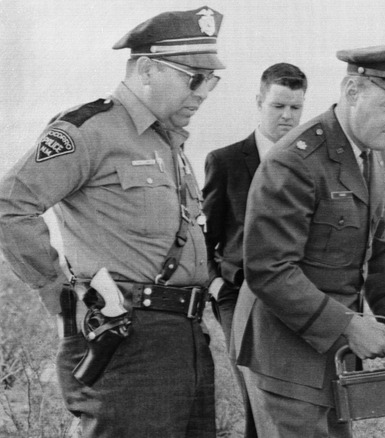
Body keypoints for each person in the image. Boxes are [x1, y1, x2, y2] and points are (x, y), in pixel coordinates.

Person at [0, 7, 225, 437]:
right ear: (145, 69)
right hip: (124, 341)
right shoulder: (91, 130)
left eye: (210, 80)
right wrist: (57, 293)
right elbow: (11, 203)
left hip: (186, 340)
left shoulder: (169, 144)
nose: (202, 93)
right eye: (192, 78)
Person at [230, 43, 385, 437]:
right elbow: (269, 270)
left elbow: (378, 245)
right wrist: (351, 327)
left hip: (336, 350)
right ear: (352, 92)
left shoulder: (377, 156)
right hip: (286, 353)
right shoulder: (296, 159)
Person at [201, 62, 307, 438]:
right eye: (278, 106)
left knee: (294, 402)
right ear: (259, 101)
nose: (287, 116)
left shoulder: (311, 164)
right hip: (239, 294)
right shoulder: (226, 161)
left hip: (296, 296)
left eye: (295, 107)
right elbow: (204, 236)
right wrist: (216, 285)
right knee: (256, 397)